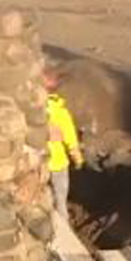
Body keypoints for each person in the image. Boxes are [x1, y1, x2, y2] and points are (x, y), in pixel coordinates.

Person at [44, 70, 84, 221]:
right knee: (60, 199)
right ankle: (63, 225)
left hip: (39, 164)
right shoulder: (61, 113)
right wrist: (78, 160)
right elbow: (71, 140)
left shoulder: (36, 109)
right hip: (58, 163)